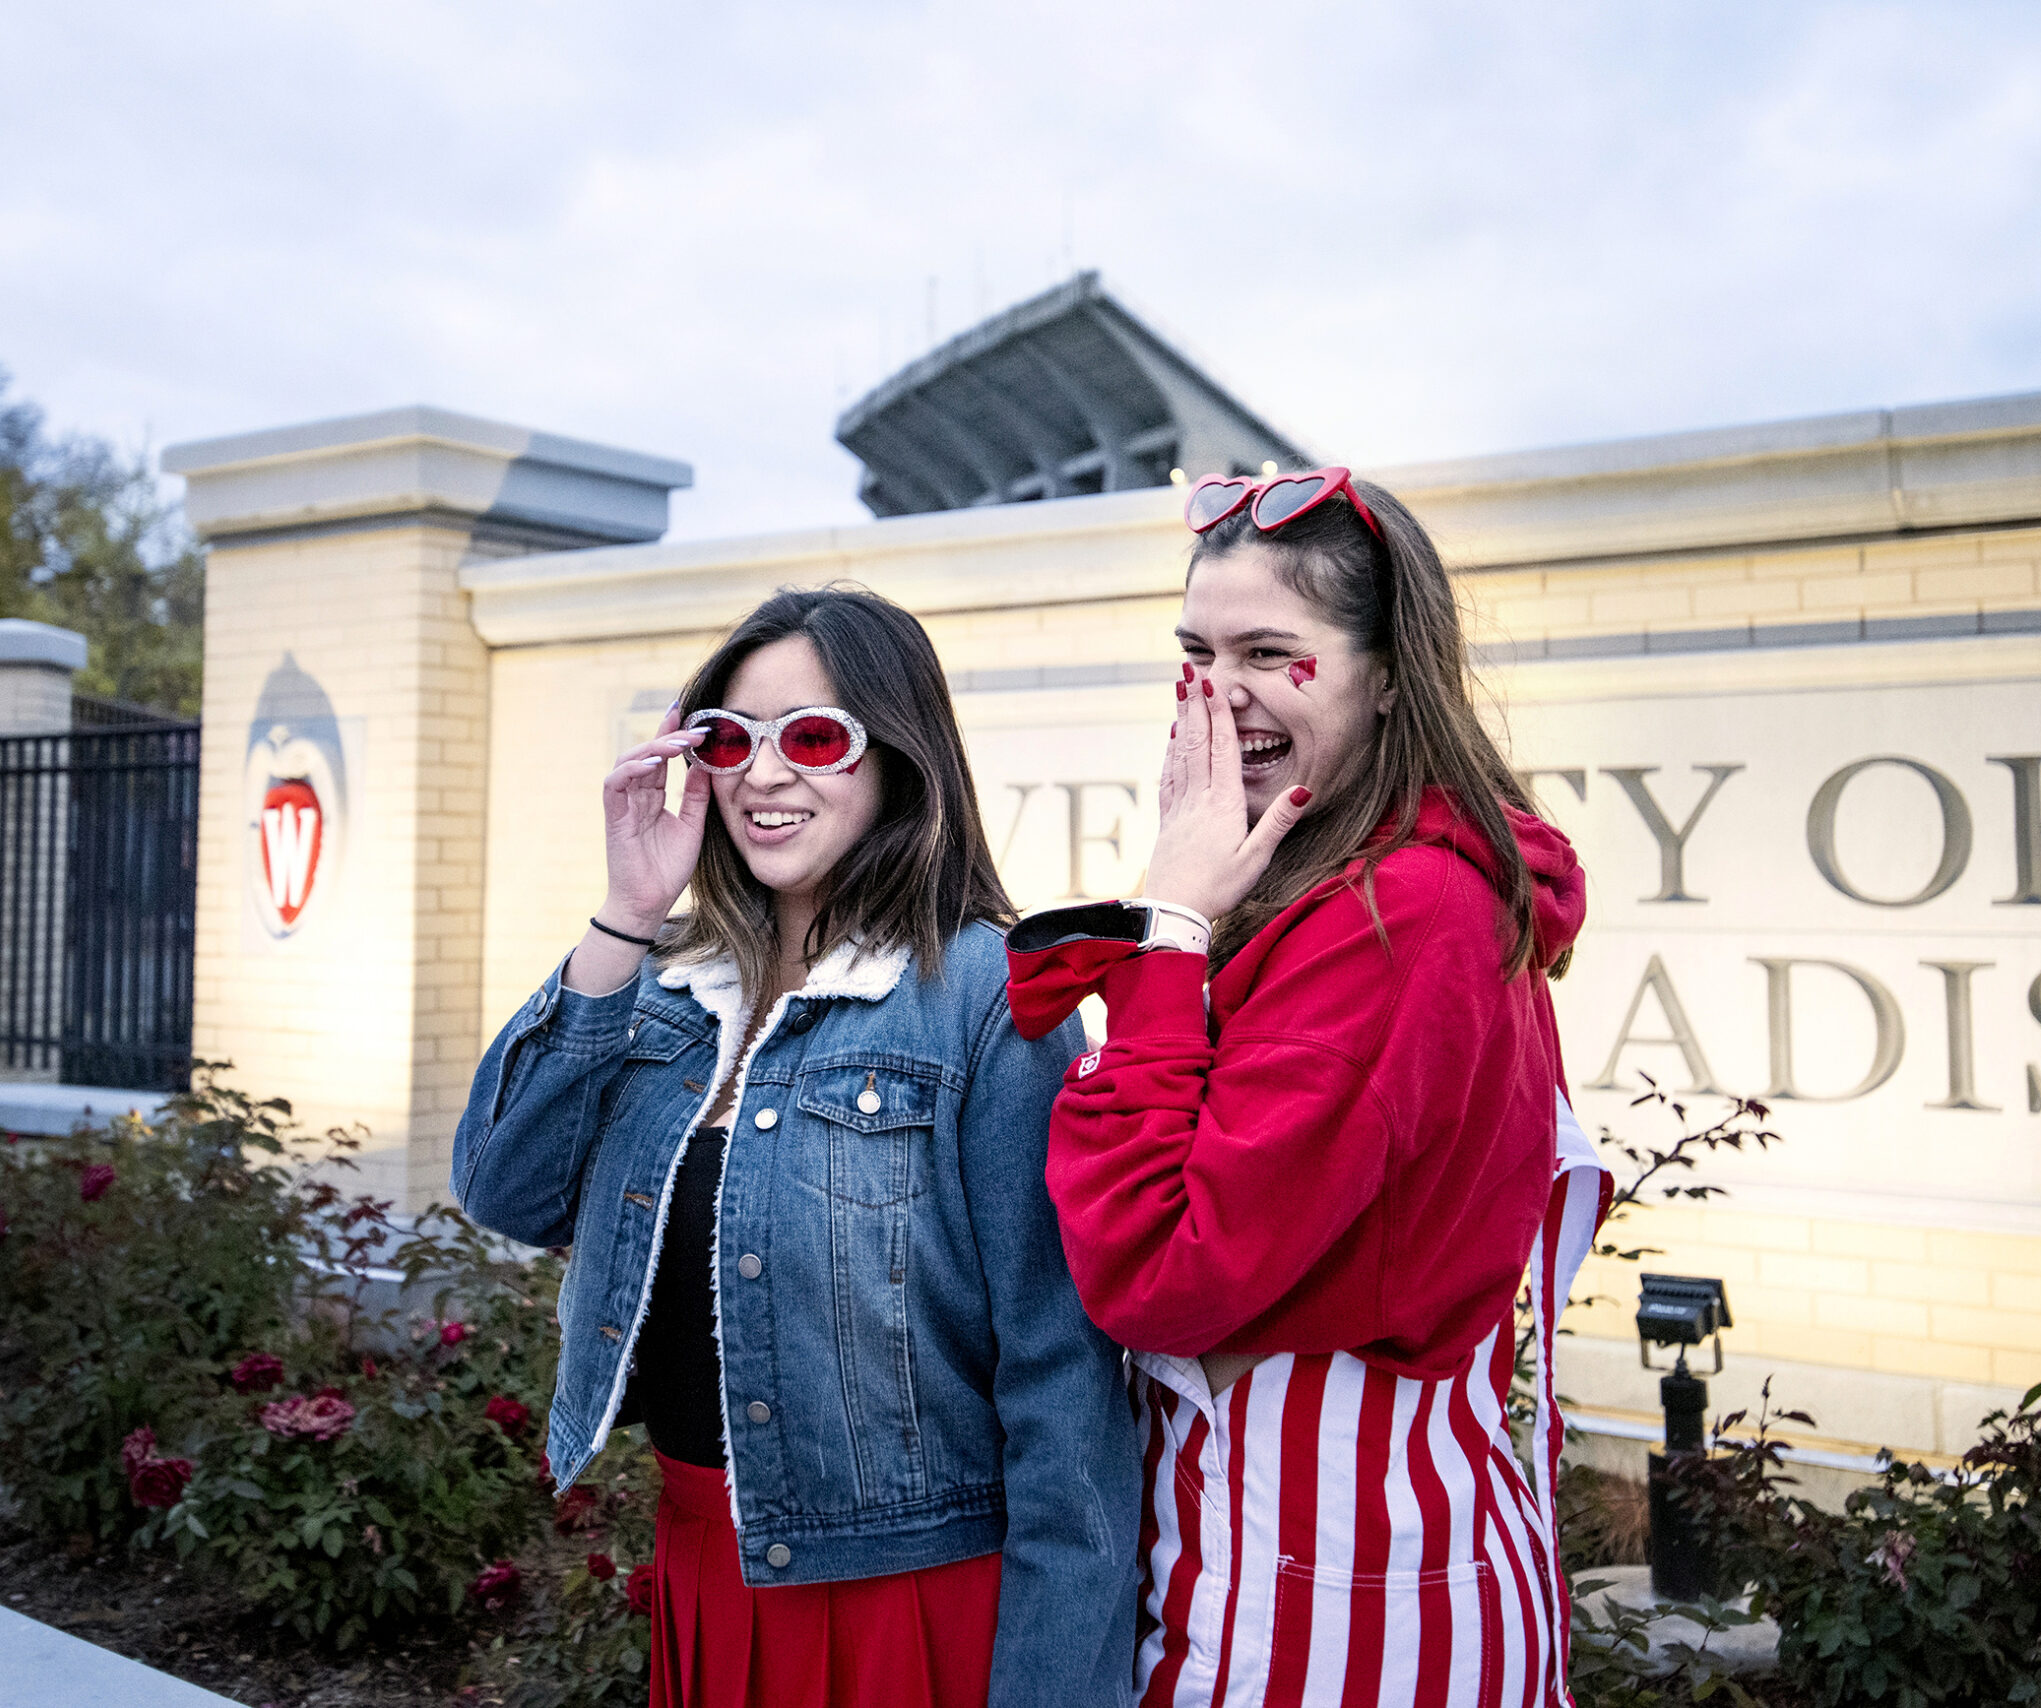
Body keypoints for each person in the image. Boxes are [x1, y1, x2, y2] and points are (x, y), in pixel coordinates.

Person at [455, 587, 1142, 1708]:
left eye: (813, 738)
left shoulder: (980, 995)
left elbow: (1060, 1376)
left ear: (897, 760)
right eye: (730, 739)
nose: (763, 775)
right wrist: (628, 910)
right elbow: (503, 1185)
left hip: (910, 1601)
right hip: (706, 1574)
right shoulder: (671, 988)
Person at [1004, 469, 1610, 1708]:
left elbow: (1159, 1269)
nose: (1223, 693)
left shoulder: (1409, 913)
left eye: (1274, 653)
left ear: (1388, 673)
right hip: (1275, 1550)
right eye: (1196, 652)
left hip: (1338, 1582)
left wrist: (1168, 932)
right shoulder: (1319, 878)